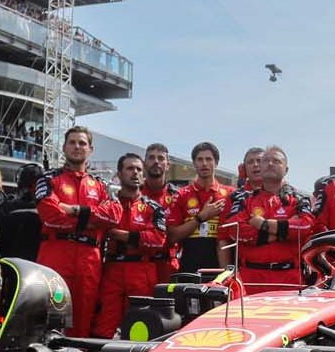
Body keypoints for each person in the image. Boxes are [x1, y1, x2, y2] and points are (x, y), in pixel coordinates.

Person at [35, 127, 121, 338]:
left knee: (82, 322)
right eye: (72, 142)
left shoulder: (101, 185)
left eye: (82, 143)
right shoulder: (48, 179)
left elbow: (114, 216)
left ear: (90, 149)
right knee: (51, 319)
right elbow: (50, 215)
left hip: (89, 260)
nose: (77, 147)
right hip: (55, 254)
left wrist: (75, 211)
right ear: (64, 147)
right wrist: (93, 220)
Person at [100, 153, 169, 337]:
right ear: (119, 174)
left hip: (142, 271)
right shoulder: (107, 205)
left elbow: (157, 240)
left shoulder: (153, 208)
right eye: (130, 168)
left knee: (139, 329)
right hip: (112, 270)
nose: (135, 173)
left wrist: (122, 235)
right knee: (104, 328)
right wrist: (138, 237)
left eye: (139, 169)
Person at [224, 146, 313, 287]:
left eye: (276, 161)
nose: (270, 164)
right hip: (250, 278)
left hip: (290, 278)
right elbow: (234, 230)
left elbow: (305, 227)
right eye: (265, 161)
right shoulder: (243, 199)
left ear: (286, 170)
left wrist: (264, 224)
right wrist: (282, 232)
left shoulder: (299, 199)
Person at [166, 142, 232, 275]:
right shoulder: (181, 194)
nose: (204, 163)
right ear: (194, 163)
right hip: (189, 270)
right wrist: (201, 217)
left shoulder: (230, 194)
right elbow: (172, 236)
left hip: (221, 270)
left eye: (209, 159)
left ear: (216, 162)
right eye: (200, 159)